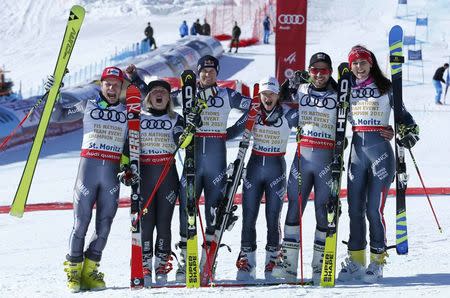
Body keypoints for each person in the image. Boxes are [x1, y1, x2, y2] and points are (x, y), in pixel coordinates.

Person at [338, 45, 419, 284]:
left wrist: (406, 132)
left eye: (363, 63)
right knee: (354, 209)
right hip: (356, 152)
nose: (359, 68)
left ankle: (377, 260)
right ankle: (356, 260)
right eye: (355, 64)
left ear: (371, 63)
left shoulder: (386, 88)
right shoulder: (347, 88)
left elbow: (405, 117)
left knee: (374, 209)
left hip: (381, 154)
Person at [176, 55, 252, 282]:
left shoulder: (226, 94)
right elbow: (158, 101)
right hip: (193, 157)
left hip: (217, 159)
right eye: (203, 71)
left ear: (217, 73)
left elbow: (253, 107)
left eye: (211, 71)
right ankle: (184, 261)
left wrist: (233, 131)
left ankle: (209, 260)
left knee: (214, 211)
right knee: (186, 207)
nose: (207, 74)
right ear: (198, 73)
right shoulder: (188, 94)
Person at [271, 52, 343, 284]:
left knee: (324, 210)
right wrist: (288, 82)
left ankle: (320, 267)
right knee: (294, 206)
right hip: (303, 157)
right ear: (309, 71)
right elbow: (276, 98)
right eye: (315, 70)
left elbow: (357, 118)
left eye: (324, 70)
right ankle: (290, 266)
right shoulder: (301, 90)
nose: (319, 74)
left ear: (330, 72)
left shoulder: (340, 94)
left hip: (326, 158)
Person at [62, 67, 128, 292]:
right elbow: (58, 115)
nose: (112, 88)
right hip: (88, 171)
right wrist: (54, 91)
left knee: (104, 226)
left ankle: (90, 271)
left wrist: (128, 166)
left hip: (111, 174)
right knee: (81, 222)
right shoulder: (87, 104)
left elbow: (131, 143)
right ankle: (73, 272)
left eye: (116, 85)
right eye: (108, 84)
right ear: (101, 85)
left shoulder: (127, 112)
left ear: (121, 88)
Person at [122, 65, 185, 286]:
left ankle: (162, 263)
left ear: (169, 98)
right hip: (145, 174)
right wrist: (127, 168)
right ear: (149, 97)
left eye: (164, 93)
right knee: (146, 222)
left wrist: (184, 136)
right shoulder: (138, 117)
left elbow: (182, 140)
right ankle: (145, 263)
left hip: (167, 175)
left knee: (164, 222)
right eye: (155, 92)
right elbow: (126, 147)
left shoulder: (176, 119)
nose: (159, 95)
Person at [235, 77, 298, 281]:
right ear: (259, 95)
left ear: (278, 95)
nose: (267, 98)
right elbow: (231, 132)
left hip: (276, 167)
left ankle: (272, 259)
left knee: (273, 217)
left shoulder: (288, 113)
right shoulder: (252, 113)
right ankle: (247, 261)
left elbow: (313, 121)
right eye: (264, 94)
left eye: (271, 94)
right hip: (254, 167)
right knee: (249, 216)